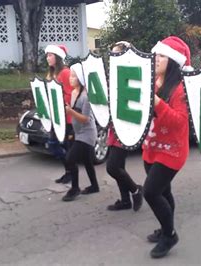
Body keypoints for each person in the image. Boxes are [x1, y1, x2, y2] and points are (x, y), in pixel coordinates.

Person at [142, 36, 191, 258]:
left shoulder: (180, 88)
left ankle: (169, 235)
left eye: (161, 55)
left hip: (172, 150)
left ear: (173, 60)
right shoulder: (151, 81)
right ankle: (165, 227)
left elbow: (180, 122)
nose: (156, 58)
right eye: (156, 54)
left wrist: (158, 102)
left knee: (151, 192)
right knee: (164, 191)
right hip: (151, 146)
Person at [106, 41, 143, 212]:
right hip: (115, 127)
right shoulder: (114, 75)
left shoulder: (134, 76)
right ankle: (125, 200)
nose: (113, 57)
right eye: (112, 54)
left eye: (116, 54)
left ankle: (136, 190)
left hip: (127, 127)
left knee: (113, 167)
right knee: (118, 167)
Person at [61, 63, 99, 201]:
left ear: (81, 79)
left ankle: (75, 188)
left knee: (70, 159)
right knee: (87, 161)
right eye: (70, 76)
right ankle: (94, 186)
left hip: (87, 134)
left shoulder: (86, 97)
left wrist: (70, 111)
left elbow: (84, 118)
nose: (70, 79)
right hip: (78, 132)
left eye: (74, 76)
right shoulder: (73, 92)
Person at [44, 44, 74, 184]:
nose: (47, 58)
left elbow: (70, 94)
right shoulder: (52, 73)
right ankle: (68, 171)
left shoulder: (65, 73)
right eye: (47, 55)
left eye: (50, 55)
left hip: (66, 117)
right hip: (55, 116)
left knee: (65, 146)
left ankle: (70, 173)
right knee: (53, 144)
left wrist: (60, 104)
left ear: (57, 57)